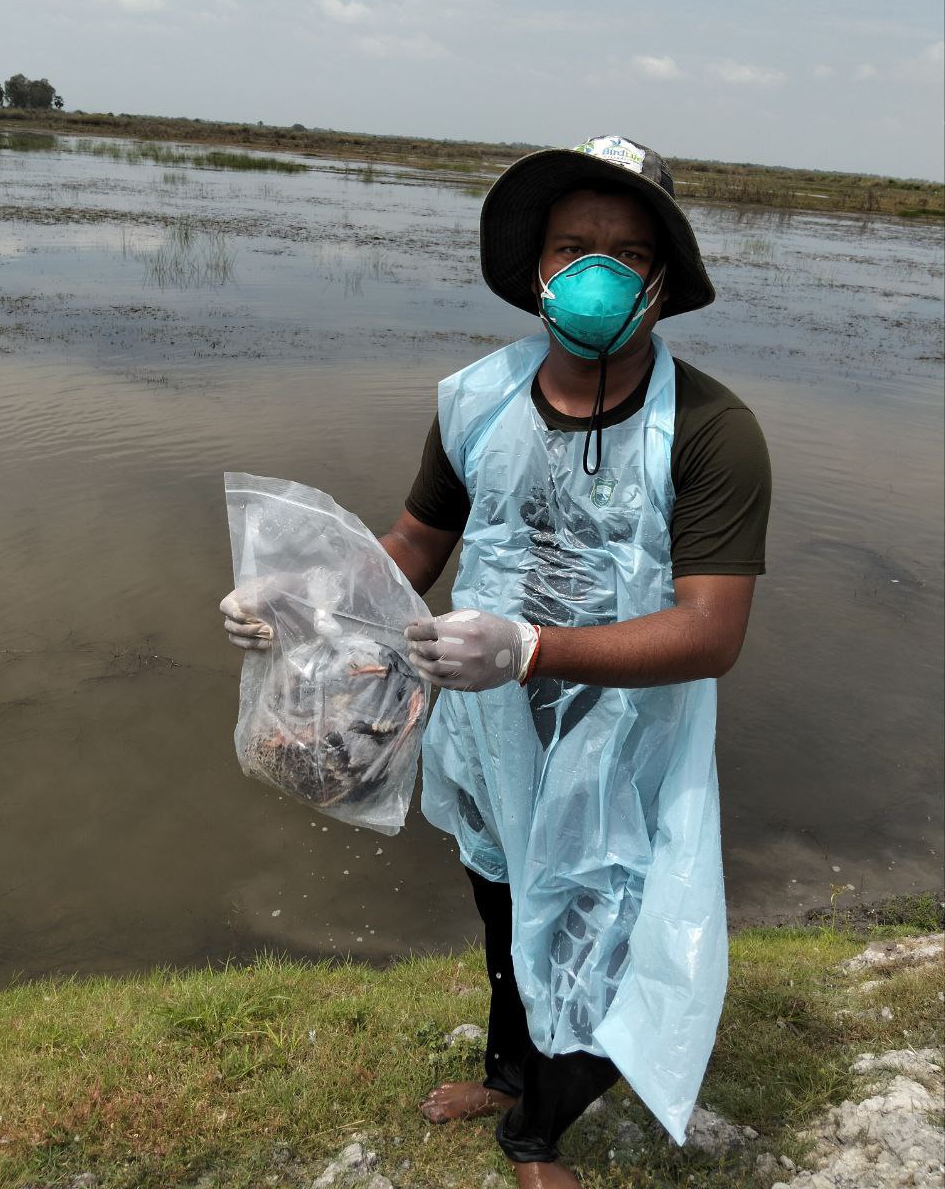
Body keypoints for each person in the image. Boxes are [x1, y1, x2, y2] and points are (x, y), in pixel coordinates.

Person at [222, 133, 771, 1189]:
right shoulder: (475, 400)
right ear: (537, 269)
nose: (595, 267)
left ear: (660, 280)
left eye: (624, 248)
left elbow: (713, 630)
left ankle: (536, 1138)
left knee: (611, 929)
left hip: (624, 735)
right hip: (488, 728)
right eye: (574, 244)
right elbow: (414, 549)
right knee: (510, 905)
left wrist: (534, 646)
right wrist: (295, 596)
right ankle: (510, 1072)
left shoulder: (709, 429)